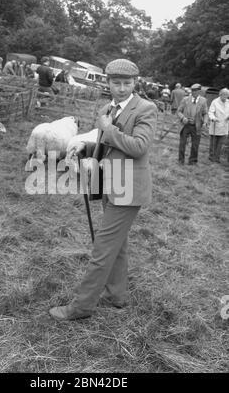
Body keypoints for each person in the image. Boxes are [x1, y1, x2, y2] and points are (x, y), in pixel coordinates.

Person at [49, 58, 158, 321]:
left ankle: (81, 307)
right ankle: (116, 295)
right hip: (109, 183)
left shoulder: (146, 108)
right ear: (108, 83)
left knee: (102, 249)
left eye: (127, 83)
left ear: (135, 83)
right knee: (116, 246)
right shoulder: (107, 107)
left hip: (128, 188)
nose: (122, 88)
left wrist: (107, 129)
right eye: (117, 83)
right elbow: (106, 145)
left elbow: (139, 147)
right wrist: (85, 148)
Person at [177, 83, 208, 165]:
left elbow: (205, 113)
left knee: (195, 144)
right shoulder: (185, 99)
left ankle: (193, 161)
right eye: (192, 91)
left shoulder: (203, 101)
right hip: (185, 125)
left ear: (199, 92)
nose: (193, 92)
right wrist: (183, 118)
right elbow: (178, 111)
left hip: (197, 126)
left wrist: (205, 122)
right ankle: (181, 160)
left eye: (195, 91)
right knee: (182, 143)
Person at [208, 88, 229, 163]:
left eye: (227, 95)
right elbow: (211, 112)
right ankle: (211, 157)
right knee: (213, 142)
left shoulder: (228, 102)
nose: (226, 96)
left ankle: (217, 158)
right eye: (224, 94)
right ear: (220, 94)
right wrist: (213, 118)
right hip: (215, 124)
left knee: (220, 143)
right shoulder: (215, 102)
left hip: (224, 126)